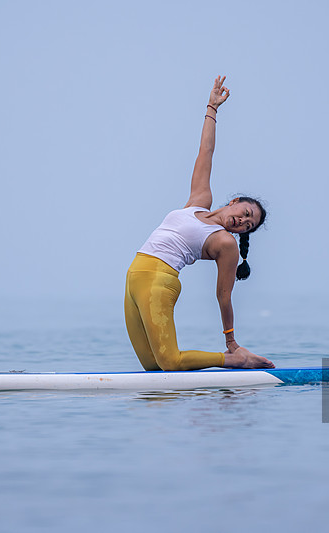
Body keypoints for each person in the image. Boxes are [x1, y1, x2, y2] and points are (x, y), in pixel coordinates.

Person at [124, 75, 275, 371]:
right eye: (246, 212)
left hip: (159, 282)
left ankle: (233, 360)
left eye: (249, 225)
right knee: (152, 368)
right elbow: (205, 152)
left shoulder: (224, 242)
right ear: (234, 202)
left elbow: (223, 295)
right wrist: (212, 108)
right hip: (133, 278)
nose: (243, 221)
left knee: (169, 362)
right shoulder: (198, 201)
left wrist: (231, 342)